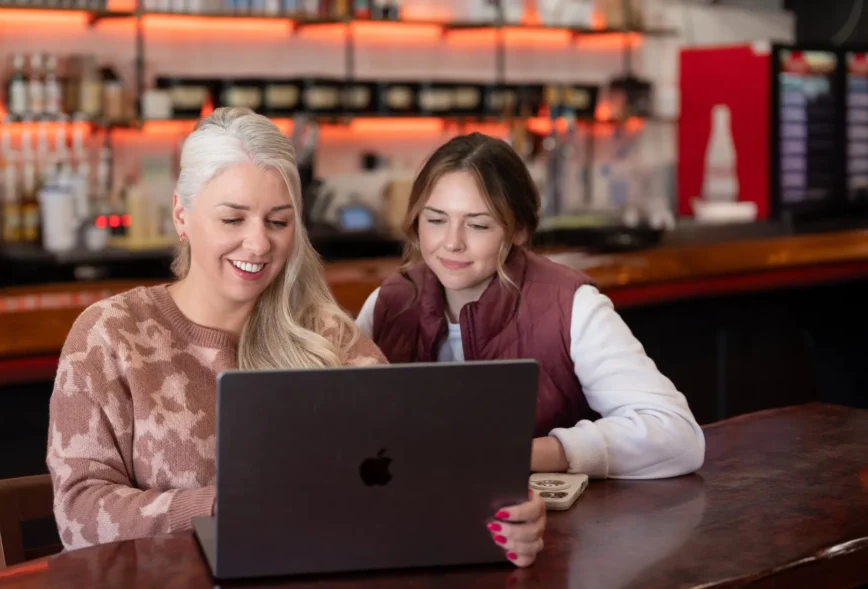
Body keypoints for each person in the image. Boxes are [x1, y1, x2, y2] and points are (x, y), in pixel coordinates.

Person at [355, 132, 706, 567]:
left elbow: (678, 435)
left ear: (518, 229)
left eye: (479, 224)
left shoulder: (571, 305)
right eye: (435, 219)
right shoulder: (388, 302)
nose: (452, 243)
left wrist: (537, 453)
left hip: (554, 550)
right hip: (415, 544)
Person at [46, 107, 386, 551]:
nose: (259, 243)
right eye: (233, 219)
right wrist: (217, 509)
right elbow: (79, 514)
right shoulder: (110, 334)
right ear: (181, 214)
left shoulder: (325, 334)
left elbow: (400, 464)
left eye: (278, 221)